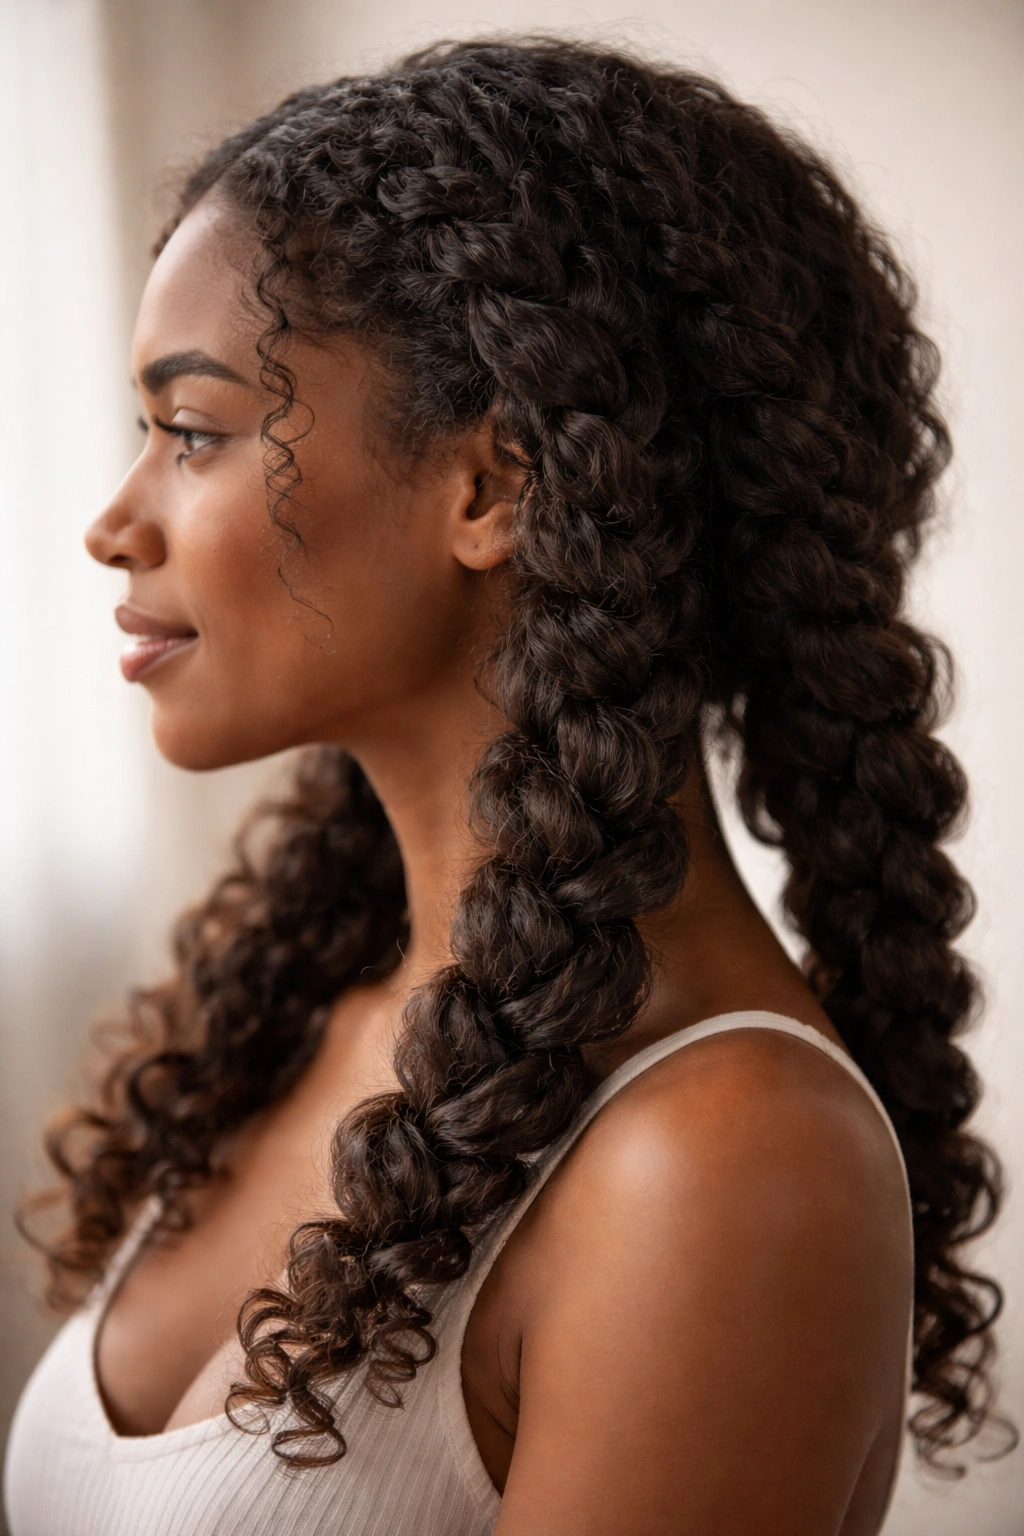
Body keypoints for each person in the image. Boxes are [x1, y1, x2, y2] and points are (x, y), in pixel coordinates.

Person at [4, 39, 1008, 1536]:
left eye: (194, 432)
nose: (112, 523)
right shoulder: (320, 1007)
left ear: (494, 486)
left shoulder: (720, 1158)